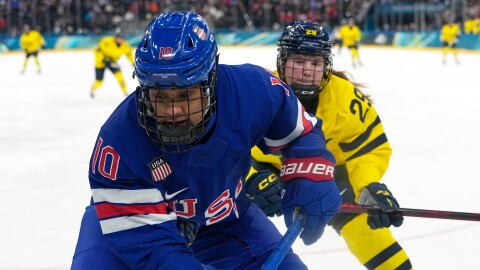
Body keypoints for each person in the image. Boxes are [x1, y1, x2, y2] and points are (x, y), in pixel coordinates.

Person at [72, 12, 341, 270]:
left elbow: (300, 132)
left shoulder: (252, 91)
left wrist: (309, 172)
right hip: (129, 228)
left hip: (223, 219)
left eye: (185, 95)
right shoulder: (118, 142)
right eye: (160, 96)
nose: (172, 110)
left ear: (210, 82)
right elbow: (150, 245)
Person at [245, 21, 413, 269]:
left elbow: (368, 150)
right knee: (238, 239)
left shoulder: (344, 97)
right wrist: (248, 178)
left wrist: (367, 186)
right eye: (299, 62)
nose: (307, 71)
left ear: (326, 66)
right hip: (266, 173)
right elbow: (221, 148)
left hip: (327, 176)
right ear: (282, 61)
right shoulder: (256, 91)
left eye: (315, 63)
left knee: (368, 235)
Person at [90, 27, 135, 98]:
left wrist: (133, 63)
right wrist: (102, 59)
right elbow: (97, 51)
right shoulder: (106, 41)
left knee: (120, 77)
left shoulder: (125, 46)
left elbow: (129, 54)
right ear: (115, 37)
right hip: (101, 63)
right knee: (99, 82)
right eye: (119, 37)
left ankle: (125, 92)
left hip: (112, 63)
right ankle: (92, 90)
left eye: (122, 38)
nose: (121, 39)